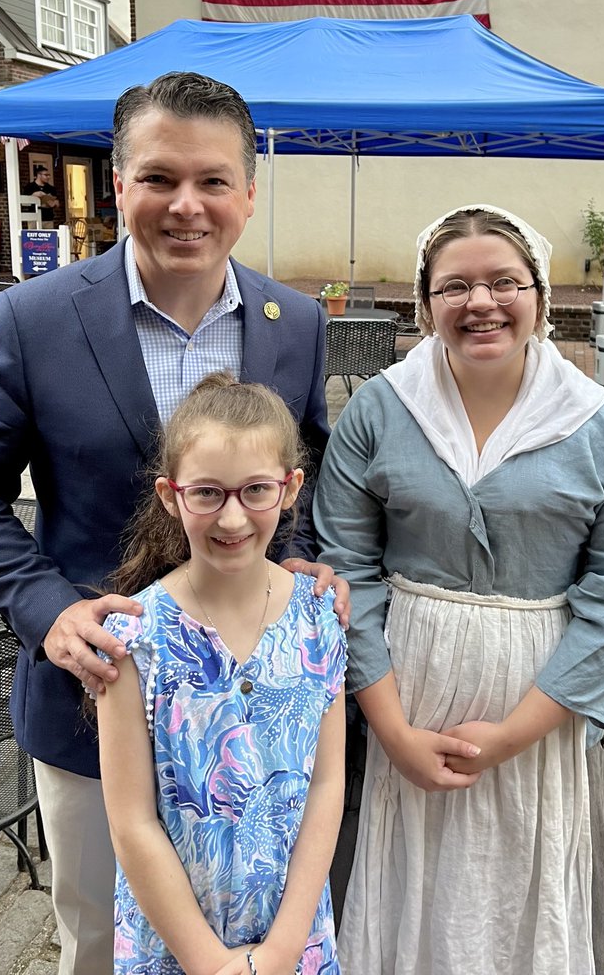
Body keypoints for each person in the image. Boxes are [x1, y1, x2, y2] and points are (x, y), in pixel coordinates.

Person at [0, 72, 349, 975]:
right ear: (120, 184)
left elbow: (297, 481)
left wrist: (306, 557)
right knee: (102, 947)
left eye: (212, 181)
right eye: (159, 178)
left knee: (255, 930)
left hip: (255, 723)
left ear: (247, 192)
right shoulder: (34, 319)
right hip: (95, 704)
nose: (185, 206)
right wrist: (47, 612)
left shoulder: (296, 323)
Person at [314, 204, 604, 975]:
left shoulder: (600, 428)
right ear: (425, 301)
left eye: (505, 281)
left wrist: (513, 734)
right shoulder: (380, 411)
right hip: (407, 701)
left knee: (524, 905)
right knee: (406, 895)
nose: (481, 303)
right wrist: (395, 733)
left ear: (539, 295)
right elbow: (348, 572)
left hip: (539, 720)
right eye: (455, 286)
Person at [97, 373, 346, 974]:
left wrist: (285, 948)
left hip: (295, 938)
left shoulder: (319, 620)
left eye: (255, 490)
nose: (233, 518)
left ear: (290, 489)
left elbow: (326, 784)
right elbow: (132, 822)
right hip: (175, 946)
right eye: (207, 493)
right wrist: (211, 963)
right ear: (169, 494)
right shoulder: (134, 641)